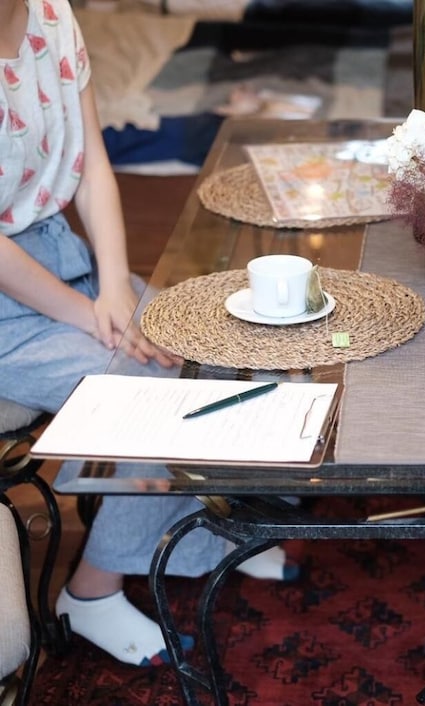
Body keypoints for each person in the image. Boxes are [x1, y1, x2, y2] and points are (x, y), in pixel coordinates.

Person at [0, 0, 293, 666]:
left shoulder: (52, 15)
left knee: (210, 337)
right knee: (147, 393)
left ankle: (205, 534)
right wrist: (87, 315)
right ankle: (90, 592)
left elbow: (93, 167)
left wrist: (113, 288)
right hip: (7, 308)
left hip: (62, 254)